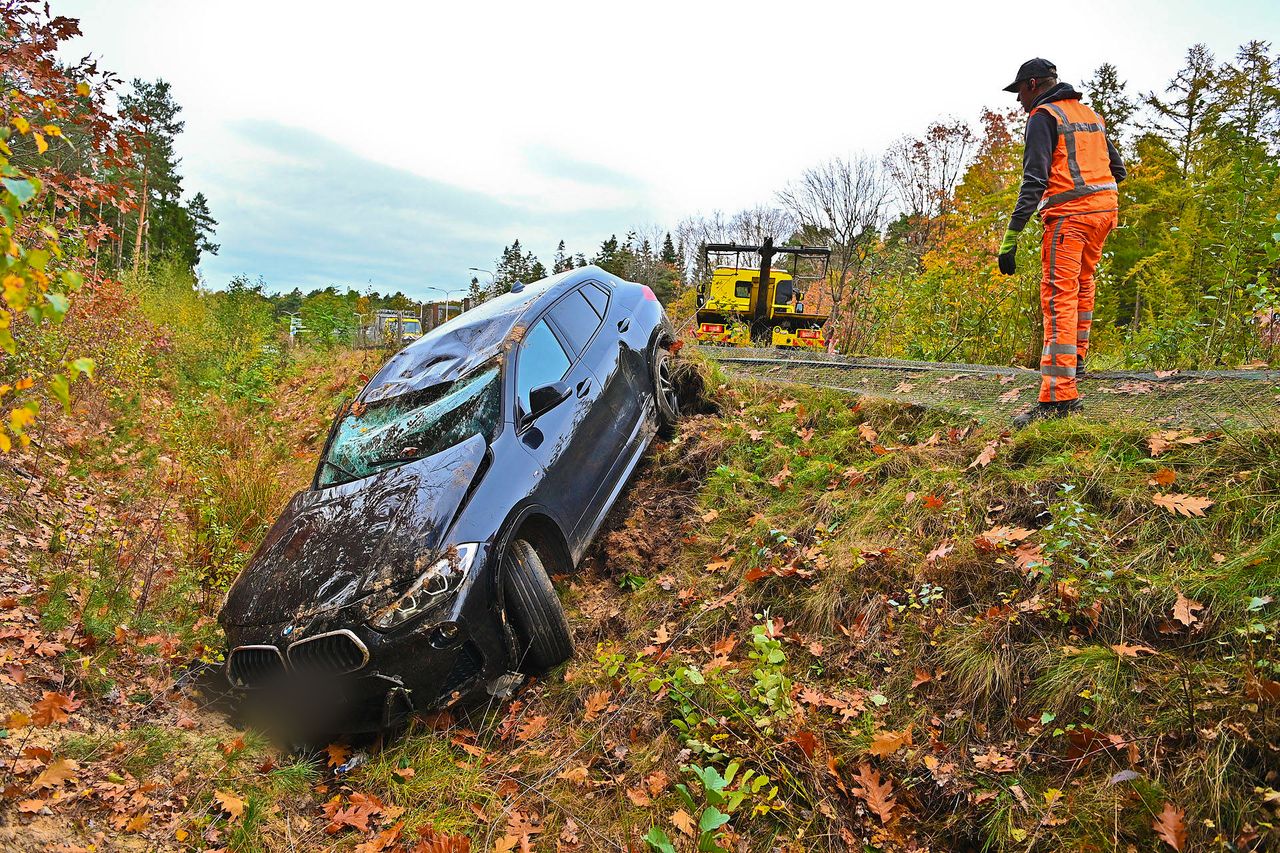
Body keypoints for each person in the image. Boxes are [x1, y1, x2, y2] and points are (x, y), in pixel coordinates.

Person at [997, 58, 1126, 427]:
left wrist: (1012, 236)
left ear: (1033, 84)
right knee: (1083, 286)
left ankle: (1058, 397)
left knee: (1059, 296)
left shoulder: (1043, 117)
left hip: (1071, 218)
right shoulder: (1089, 115)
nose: (1019, 101)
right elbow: (1118, 170)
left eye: (1019, 91)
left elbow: (1034, 180)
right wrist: (1096, 198)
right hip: (1104, 214)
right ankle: (1077, 360)